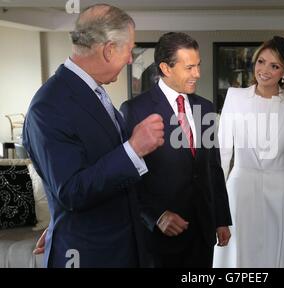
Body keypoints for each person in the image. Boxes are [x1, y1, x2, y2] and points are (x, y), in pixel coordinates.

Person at [23, 4, 164, 267]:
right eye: (129, 49)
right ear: (109, 50)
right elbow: (71, 191)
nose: (131, 59)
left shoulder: (91, 91)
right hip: (90, 255)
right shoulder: (50, 105)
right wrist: (134, 149)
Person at [120, 32, 232, 268]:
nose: (198, 74)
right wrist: (156, 216)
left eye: (198, 66)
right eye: (189, 67)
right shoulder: (134, 110)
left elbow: (213, 167)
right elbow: (127, 177)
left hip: (203, 230)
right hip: (160, 236)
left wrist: (221, 219)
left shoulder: (206, 106)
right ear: (165, 68)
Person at [213, 36, 284, 268]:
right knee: (239, 255)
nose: (264, 70)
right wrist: (217, 205)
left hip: (282, 194)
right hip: (239, 191)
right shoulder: (234, 98)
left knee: (279, 254)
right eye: (261, 61)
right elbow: (222, 156)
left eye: (274, 66)